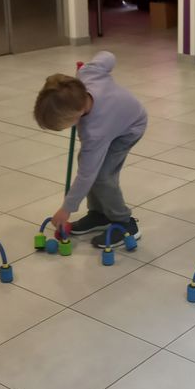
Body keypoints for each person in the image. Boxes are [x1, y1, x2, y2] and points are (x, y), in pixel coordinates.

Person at [34, 52, 147, 248]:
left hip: (129, 128)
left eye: (65, 125)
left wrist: (66, 209)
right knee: (87, 161)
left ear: (77, 114)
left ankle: (124, 222)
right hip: (115, 119)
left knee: (101, 175)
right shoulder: (88, 74)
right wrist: (88, 67)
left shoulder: (94, 132)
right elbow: (108, 56)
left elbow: (86, 175)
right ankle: (99, 214)